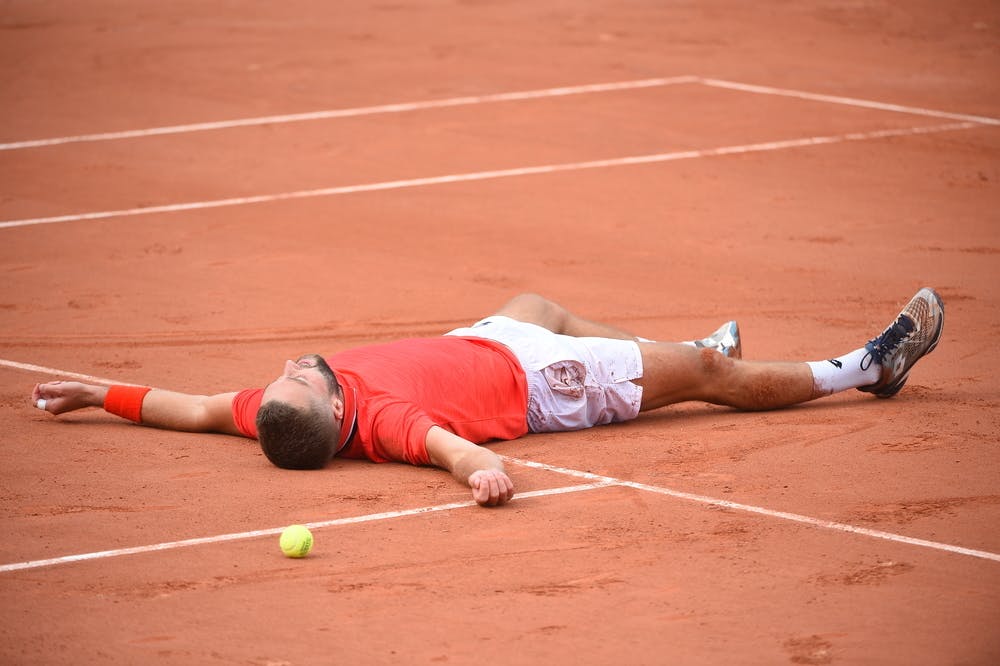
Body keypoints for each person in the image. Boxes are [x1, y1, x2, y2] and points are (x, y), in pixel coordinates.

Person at [31, 289, 944, 508]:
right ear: (334, 419)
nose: (298, 364)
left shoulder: (272, 412)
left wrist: (95, 392)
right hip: (543, 386)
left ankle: (683, 351)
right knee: (710, 383)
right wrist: (483, 472)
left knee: (535, 300)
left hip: (490, 339)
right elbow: (443, 445)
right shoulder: (379, 422)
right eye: (306, 378)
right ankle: (867, 367)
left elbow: (187, 408)